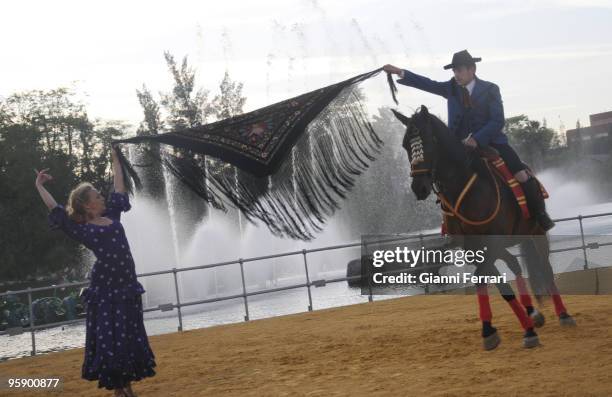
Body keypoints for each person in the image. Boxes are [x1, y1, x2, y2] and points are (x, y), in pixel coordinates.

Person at [383, 50, 555, 231]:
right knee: (443, 177)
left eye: (460, 70)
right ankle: (452, 226)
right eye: (454, 71)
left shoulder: (490, 89)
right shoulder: (450, 88)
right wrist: (400, 72)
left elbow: (497, 120)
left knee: (522, 175)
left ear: (472, 69)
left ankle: (540, 216)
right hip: (458, 146)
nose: (456, 75)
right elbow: (428, 84)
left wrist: (477, 139)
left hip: (492, 142)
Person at [35, 145, 156, 397]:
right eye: (98, 196)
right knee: (111, 337)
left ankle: (128, 387)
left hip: (126, 284)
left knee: (127, 334)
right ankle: (119, 390)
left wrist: (115, 159)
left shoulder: (113, 214)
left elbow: (119, 185)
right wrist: (40, 185)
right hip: (105, 288)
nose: (103, 197)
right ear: (87, 205)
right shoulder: (81, 228)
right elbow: (55, 209)